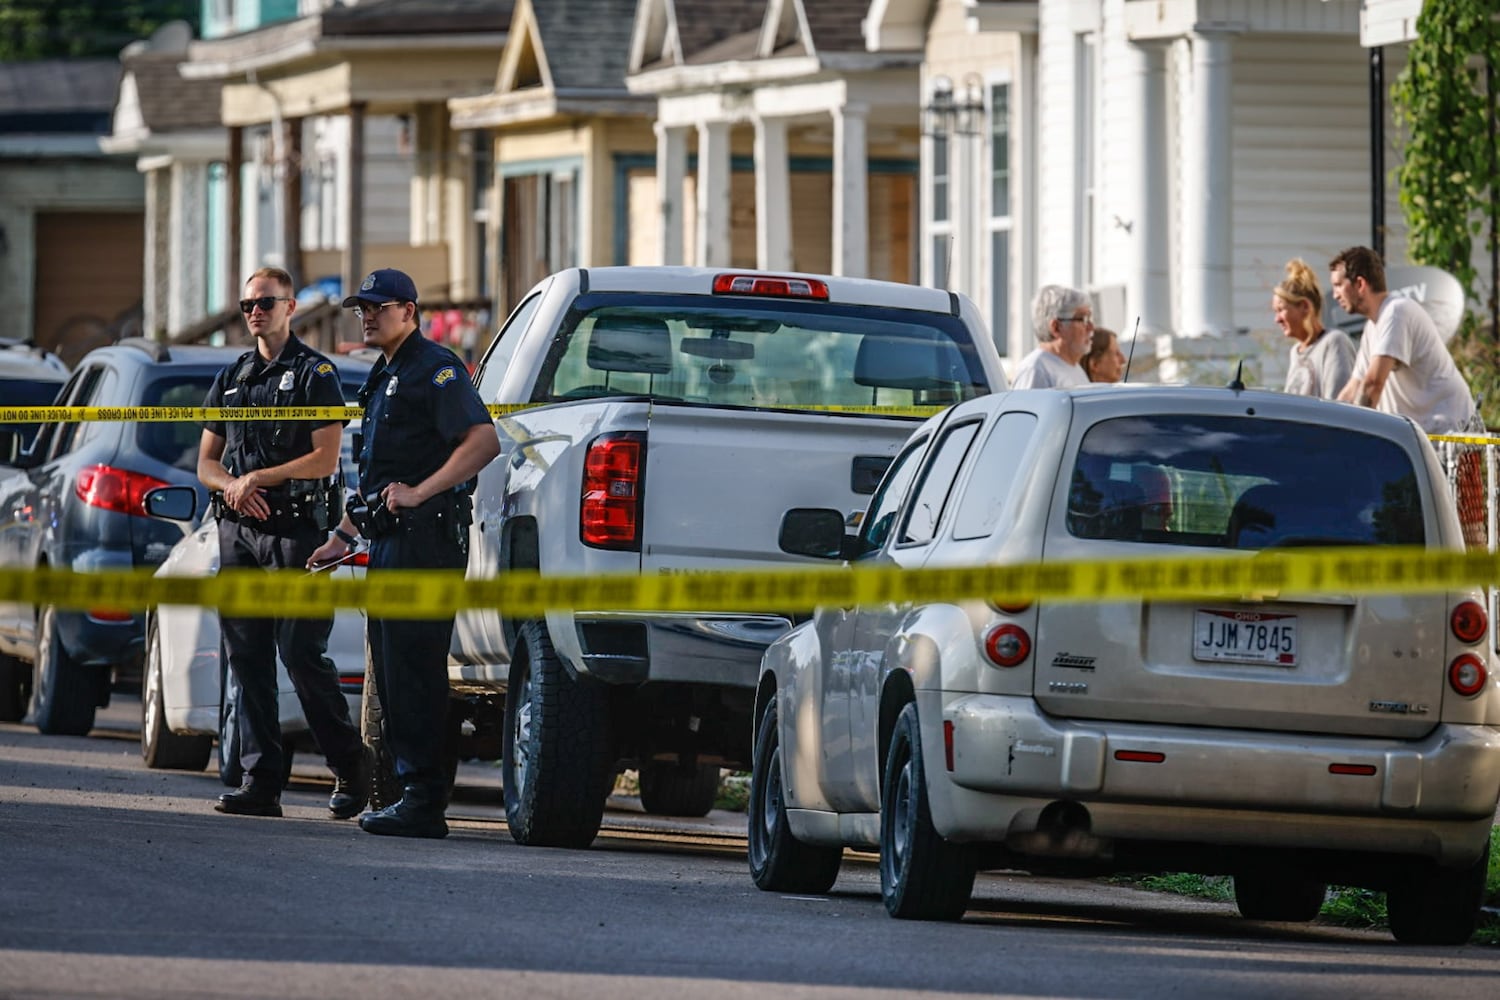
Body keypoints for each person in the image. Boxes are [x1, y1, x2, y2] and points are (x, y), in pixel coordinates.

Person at [308, 268, 500, 839]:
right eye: (360, 308)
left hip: (427, 544)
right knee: (392, 676)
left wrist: (421, 492)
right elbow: (379, 477)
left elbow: (483, 441)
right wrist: (342, 535)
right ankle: (412, 792)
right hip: (390, 543)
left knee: (415, 674)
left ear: (409, 311)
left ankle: (423, 800)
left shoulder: (435, 368)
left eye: (376, 306)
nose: (365, 315)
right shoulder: (384, 374)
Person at [198, 265, 371, 820]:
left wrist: (259, 479)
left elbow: (325, 456)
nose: (255, 312)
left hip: (297, 530)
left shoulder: (316, 373)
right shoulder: (233, 377)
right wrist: (233, 486)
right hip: (239, 531)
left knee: (300, 654)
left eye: (266, 302)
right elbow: (205, 462)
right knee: (246, 657)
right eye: (248, 304)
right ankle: (260, 782)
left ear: (290, 307)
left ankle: (350, 769)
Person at [1331, 246, 1476, 433]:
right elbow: (1354, 388)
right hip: (1424, 436)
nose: (1335, 295)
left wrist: (1353, 434)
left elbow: (1372, 385)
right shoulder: (1373, 327)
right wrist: (1330, 424)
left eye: (1338, 285)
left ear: (1360, 284)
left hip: (1450, 435)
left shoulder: (1397, 312)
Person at [1274, 258, 1353, 399]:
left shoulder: (1334, 342)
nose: (1277, 319)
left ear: (1304, 306)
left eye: (1281, 310)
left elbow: (1339, 406)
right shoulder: (1295, 352)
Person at [1011, 285, 1092, 389]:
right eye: (1083, 319)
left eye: (1090, 319)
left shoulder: (1075, 368)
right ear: (1056, 327)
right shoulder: (1036, 370)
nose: (1091, 327)